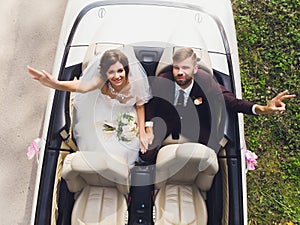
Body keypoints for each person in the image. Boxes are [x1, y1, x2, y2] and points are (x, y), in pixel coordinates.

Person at [141, 47, 295, 164]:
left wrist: (262, 109)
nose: (180, 72)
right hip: (167, 120)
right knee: (145, 151)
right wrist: (148, 128)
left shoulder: (206, 82)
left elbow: (231, 101)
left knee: (211, 155)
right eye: (176, 68)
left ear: (195, 69)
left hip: (194, 124)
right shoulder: (162, 80)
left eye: (185, 68)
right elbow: (151, 103)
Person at [28, 48, 154, 168]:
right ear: (105, 73)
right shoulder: (101, 82)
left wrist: (142, 132)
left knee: (128, 147)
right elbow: (82, 86)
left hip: (126, 115)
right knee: (102, 148)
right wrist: (57, 84)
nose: (117, 76)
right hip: (103, 115)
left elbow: (140, 105)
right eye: (111, 72)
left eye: (120, 70)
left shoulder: (136, 82)